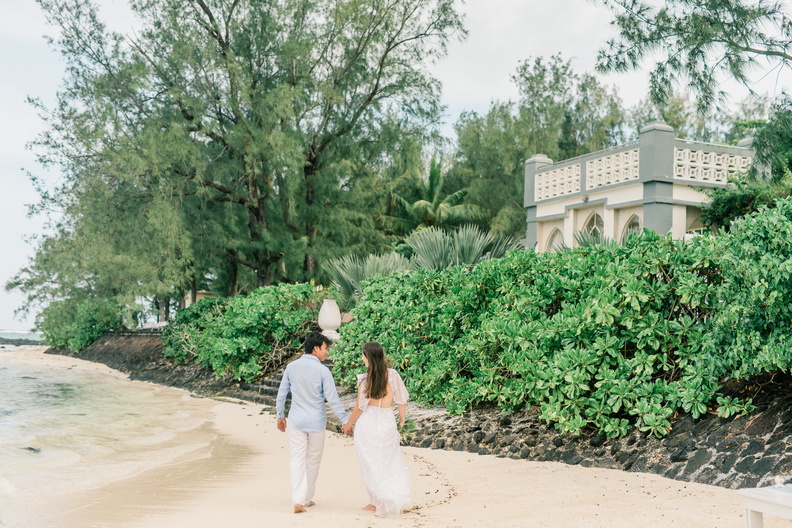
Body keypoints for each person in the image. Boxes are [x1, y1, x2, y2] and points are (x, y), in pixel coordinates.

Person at [276, 332, 349, 514]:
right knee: (313, 460)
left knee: (297, 458)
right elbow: (332, 399)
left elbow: (282, 394)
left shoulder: (291, 367)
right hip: (316, 422)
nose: (327, 353)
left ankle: (297, 499)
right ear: (316, 348)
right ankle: (306, 499)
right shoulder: (323, 371)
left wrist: (280, 416)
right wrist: (345, 419)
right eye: (325, 348)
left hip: (296, 420)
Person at [341, 341, 411, 518]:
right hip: (387, 420)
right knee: (387, 460)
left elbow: (360, 406)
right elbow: (402, 400)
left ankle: (378, 500)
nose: (362, 359)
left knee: (370, 463)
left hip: (368, 423)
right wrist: (402, 422)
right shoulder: (393, 375)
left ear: (367, 357)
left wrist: (349, 424)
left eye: (363, 355)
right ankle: (379, 500)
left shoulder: (364, 379)